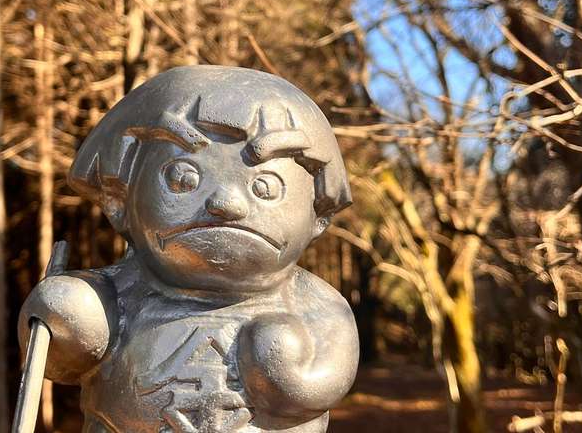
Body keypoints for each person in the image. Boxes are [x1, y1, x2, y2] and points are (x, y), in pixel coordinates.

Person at [19, 65, 359, 432]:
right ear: (118, 199)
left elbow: (324, 377)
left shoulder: (312, 303)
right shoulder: (116, 296)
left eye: (265, 187)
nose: (226, 204)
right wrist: (66, 316)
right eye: (184, 178)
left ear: (318, 214)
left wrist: (290, 373)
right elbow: (61, 362)